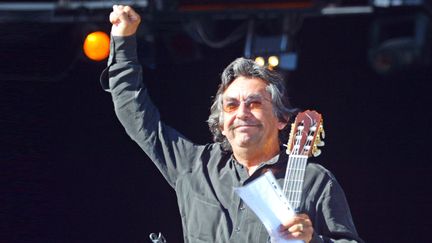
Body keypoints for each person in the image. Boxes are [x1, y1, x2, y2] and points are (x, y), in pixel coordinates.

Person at [101, 5, 363, 243]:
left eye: (255, 103)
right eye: (231, 105)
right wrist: (123, 40)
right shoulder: (193, 166)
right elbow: (134, 113)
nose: (242, 113)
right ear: (222, 123)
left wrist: (313, 240)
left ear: (282, 119)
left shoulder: (315, 180)